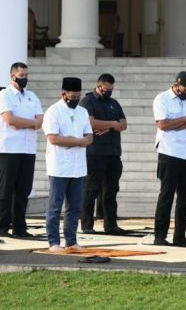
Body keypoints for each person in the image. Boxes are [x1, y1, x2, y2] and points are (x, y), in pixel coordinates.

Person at [152, 71, 186, 246]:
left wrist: (184, 123)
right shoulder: (162, 99)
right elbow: (163, 125)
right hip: (169, 152)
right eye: (184, 89)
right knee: (166, 195)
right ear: (176, 85)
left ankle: (180, 235)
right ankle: (160, 235)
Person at [43, 77, 93, 252]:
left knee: (74, 207)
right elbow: (53, 138)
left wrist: (76, 141)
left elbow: (89, 136)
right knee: (55, 206)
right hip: (59, 166)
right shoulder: (53, 112)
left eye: (77, 96)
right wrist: (77, 141)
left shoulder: (82, 112)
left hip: (78, 167)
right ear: (63, 94)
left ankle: (71, 240)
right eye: (72, 96)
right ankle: (53, 242)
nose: (75, 99)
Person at [79, 73, 128, 235]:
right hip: (95, 153)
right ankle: (87, 225)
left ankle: (111, 224)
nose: (109, 92)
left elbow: (123, 124)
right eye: (106, 89)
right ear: (99, 86)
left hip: (113, 154)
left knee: (111, 191)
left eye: (111, 89)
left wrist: (108, 127)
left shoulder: (114, 103)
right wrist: (113, 124)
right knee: (91, 190)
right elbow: (90, 123)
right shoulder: (88, 101)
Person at [0, 62, 43, 238]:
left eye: (26, 75)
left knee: (23, 190)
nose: (25, 78)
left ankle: (20, 227)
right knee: (5, 190)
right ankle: (2, 227)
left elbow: (40, 121)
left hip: (27, 149)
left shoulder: (32, 96)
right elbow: (10, 120)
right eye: (22, 76)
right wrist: (30, 123)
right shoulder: (4, 95)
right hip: (9, 149)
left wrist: (24, 123)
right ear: (13, 76)